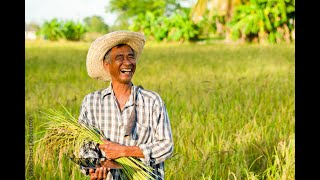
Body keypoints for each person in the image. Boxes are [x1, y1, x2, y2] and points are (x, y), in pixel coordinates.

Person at [77, 30, 174, 180]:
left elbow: (166, 146)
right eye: (120, 58)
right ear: (106, 65)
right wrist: (94, 167)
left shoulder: (152, 101)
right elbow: (84, 145)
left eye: (131, 57)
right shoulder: (92, 102)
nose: (127, 62)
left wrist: (125, 151)